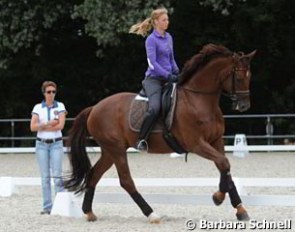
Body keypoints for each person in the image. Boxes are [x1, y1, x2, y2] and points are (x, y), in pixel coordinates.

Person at [129, 7, 179, 151]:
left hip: (169, 78)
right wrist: (167, 75)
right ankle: (141, 139)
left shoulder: (169, 37)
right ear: (156, 22)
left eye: (167, 19)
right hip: (154, 79)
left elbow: (171, 58)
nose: (167, 22)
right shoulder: (151, 40)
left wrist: (177, 72)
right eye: (164, 20)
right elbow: (153, 63)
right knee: (155, 107)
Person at [30, 81, 67, 214]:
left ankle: (60, 206)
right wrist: (48, 123)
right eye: (49, 92)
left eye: (53, 92)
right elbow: (32, 127)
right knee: (45, 177)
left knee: (57, 175)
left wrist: (42, 125)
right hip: (41, 145)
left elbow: (61, 125)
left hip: (56, 143)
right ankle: (47, 207)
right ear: (44, 93)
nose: (51, 94)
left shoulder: (60, 106)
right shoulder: (37, 107)